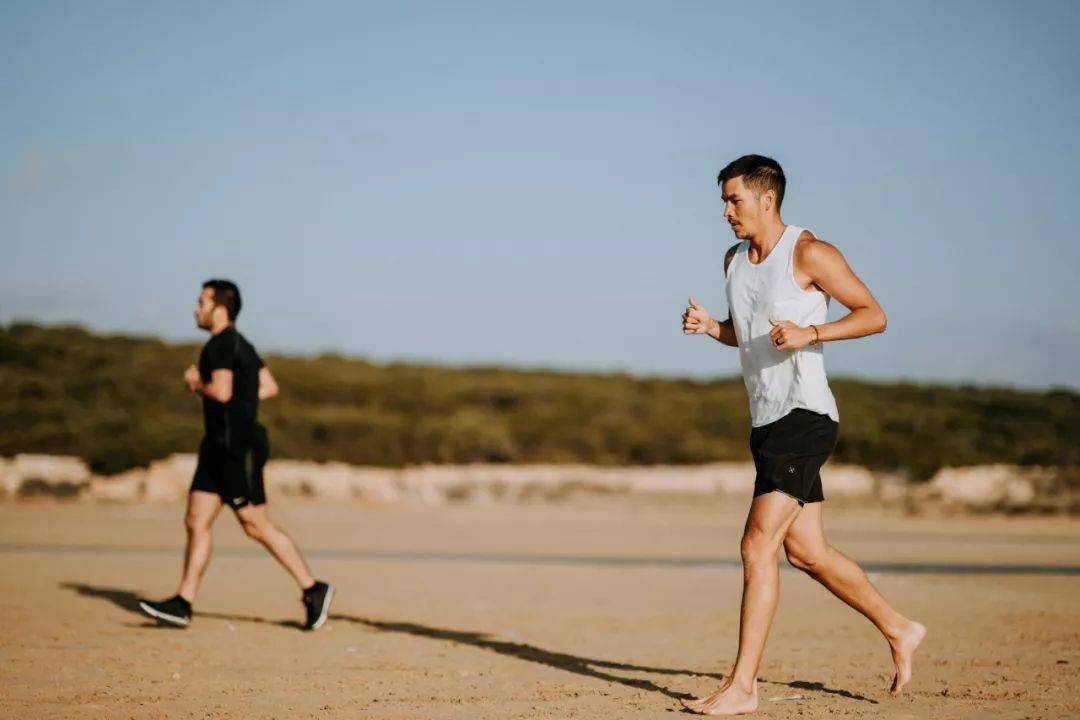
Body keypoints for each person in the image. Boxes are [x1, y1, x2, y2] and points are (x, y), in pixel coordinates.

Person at [679, 155, 925, 714]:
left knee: (755, 545)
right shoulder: (734, 260)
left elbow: (874, 314)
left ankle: (743, 687)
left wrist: (811, 330)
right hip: (766, 420)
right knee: (806, 552)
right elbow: (746, 340)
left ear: (767, 199)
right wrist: (711, 328)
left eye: (734, 199)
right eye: (722, 200)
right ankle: (899, 627)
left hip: (805, 416)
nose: (725, 211)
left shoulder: (810, 252)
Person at [138, 279, 334, 631]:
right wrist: (243, 400)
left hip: (235, 448)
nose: (195, 309)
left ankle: (313, 588)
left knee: (254, 525)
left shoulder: (220, 346)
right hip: (216, 446)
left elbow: (222, 391)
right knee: (196, 521)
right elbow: (268, 386)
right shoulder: (242, 344)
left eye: (201, 302)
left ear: (220, 308)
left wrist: (196, 383)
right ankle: (183, 602)